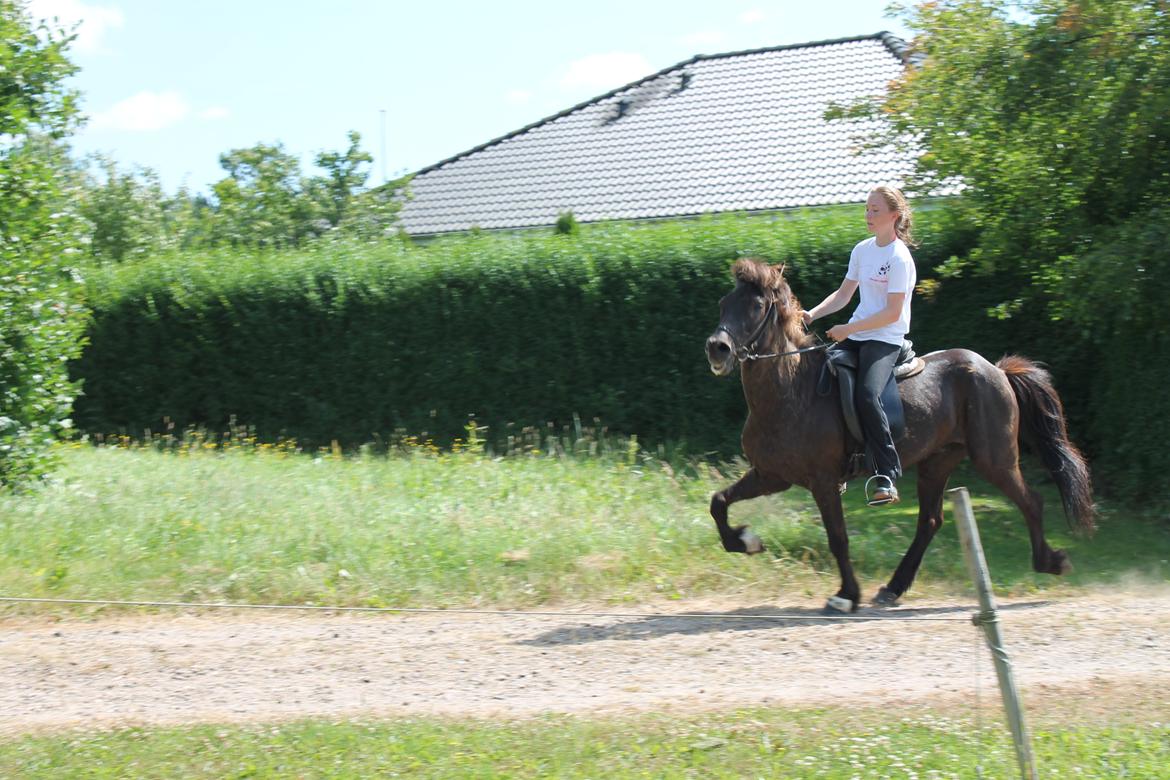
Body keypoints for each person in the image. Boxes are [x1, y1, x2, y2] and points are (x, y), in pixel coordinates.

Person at [801, 186, 917, 506]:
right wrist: (811, 314)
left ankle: (886, 474)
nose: (868, 215)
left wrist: (848, 328)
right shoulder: (862, 250)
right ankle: (838, 464)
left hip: (886, 338)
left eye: (875, 210)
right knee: (822, 380)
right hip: (859, 334)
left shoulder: (899, 258)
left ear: (894, 215)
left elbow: (892, 313)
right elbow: (843, 295)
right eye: (867, 209)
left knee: (868, 394)